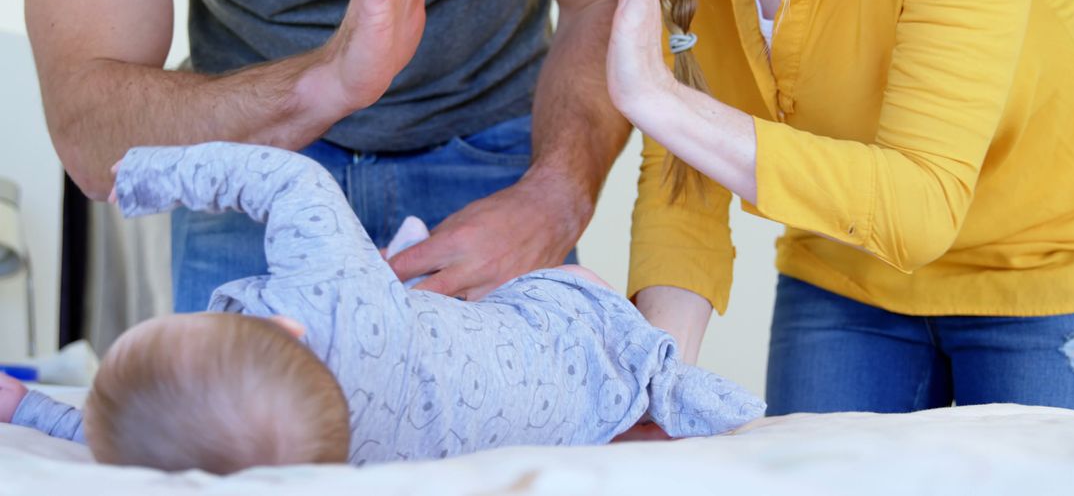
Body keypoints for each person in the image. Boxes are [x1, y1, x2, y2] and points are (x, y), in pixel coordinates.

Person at [0, 142, 764, 474]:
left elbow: (133, 430)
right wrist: (142, 176)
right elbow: (285, 181)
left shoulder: (331, 450)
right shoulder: (322, 290)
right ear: (278, 326)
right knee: (507, 316)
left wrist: (31, 408)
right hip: (565, 314)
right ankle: (658, 378)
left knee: (441, 334)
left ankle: (648, 397)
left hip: (572, 413)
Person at [24, 0, 631, 312]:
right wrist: (324, 85)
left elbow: (601, 0)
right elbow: (91, 135)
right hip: (250, 168)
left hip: (494, 165)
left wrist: (554, 201)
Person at [609, 0, 1074, 414]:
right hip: (842, 267)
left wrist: (662, 103)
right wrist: (659, 382)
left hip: (1042, 266)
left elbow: (923, 205)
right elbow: (684, 170)